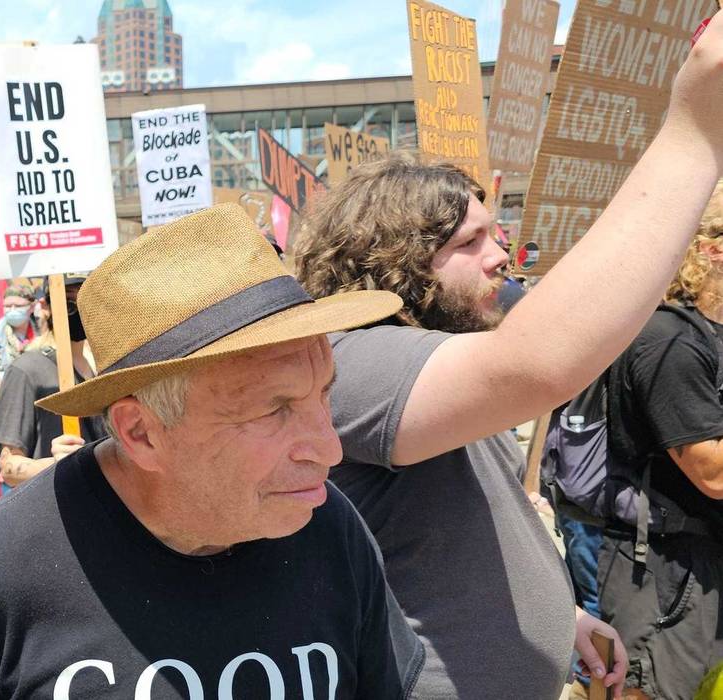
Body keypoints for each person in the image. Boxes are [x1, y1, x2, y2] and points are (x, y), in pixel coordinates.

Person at [291, 19, 723, 692]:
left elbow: (470, 532)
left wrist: (562, 616)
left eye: (496, 234)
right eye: (472, 241)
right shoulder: (351, 361)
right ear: (402, 260)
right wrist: (694, 129)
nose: (501, 255)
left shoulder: (436, 351)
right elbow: (535, 365)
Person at [0, 203, 423, 698]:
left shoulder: (329, 527)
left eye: (324, 393)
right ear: (141, 432)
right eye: (274, 409)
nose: (329, 450)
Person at [595, 183, 723, 699]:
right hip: (664, 571)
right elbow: (711, 471)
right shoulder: (670, 340)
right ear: (712, 248)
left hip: (699, 563)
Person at [0, 276, 102, 488]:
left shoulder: (101, 364)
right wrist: (57, 462)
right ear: (45, 306)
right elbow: (9, 467)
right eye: (68, 301)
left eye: (85, 298)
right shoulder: (27, 369)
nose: (78, 308)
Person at [0, 283, 36, 375]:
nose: (12, 310)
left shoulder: (42, 331)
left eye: (18, 306)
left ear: (32, 307)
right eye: (7, 306)